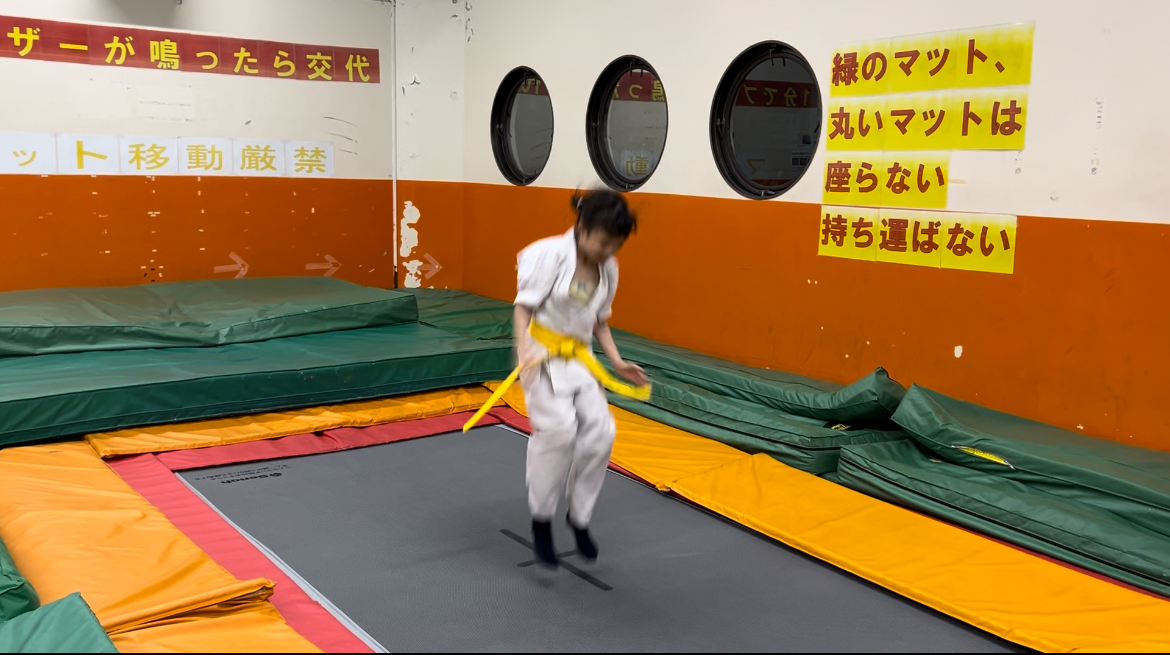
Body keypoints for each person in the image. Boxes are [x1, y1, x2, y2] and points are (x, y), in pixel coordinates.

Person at [513, 189, 647, 569]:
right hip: (540, 355)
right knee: (558, 432)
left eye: (616, 245)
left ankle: (580, 516)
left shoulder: (609, 267)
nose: (608, 251)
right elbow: (523, 308)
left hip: (580, 358)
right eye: (603, 242)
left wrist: (617, 362)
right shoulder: (549, 255)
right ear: (582, 227)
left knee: (602, 432)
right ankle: (541, 520)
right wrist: (523, 350)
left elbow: (599, 320)